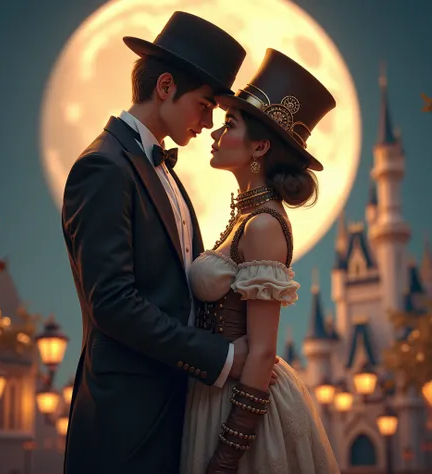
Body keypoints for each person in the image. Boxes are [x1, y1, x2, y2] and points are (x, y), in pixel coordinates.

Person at [60, 11, 277, 474]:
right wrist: (222, 357)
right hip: (126, 421)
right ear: (164, 87)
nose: (208, 123)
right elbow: (113, 303)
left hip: (180, 409)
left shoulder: (166, 174)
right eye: (204, 105)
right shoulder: (103, 167)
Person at [181, 48, 340, 474]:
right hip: (215, 389)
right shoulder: (246, 218)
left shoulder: (264, 225)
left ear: (261, 146)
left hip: (241, 407)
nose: (215, 132)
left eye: (230, 124)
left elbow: (264, 349)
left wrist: (229, 454)